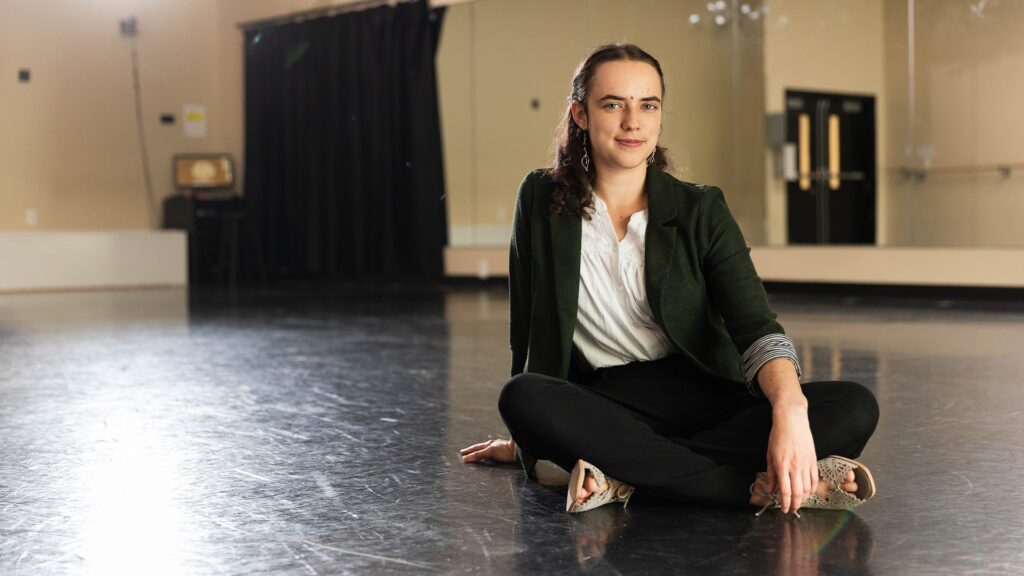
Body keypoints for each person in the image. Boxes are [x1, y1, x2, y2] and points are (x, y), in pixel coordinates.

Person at [460, 43, 879, 516]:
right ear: (580, 113)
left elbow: (756, 326)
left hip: (706, 393)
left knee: (855, 405)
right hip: (607, 402)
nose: (632, 122)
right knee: (524, 397)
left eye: (648, 105)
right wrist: (526, 441)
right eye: (613, 104)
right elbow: (527, 330)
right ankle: (750, 488)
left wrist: (791, 412)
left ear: (660, 115)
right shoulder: (539, 197)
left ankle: (622, 476)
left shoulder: (701, 207)